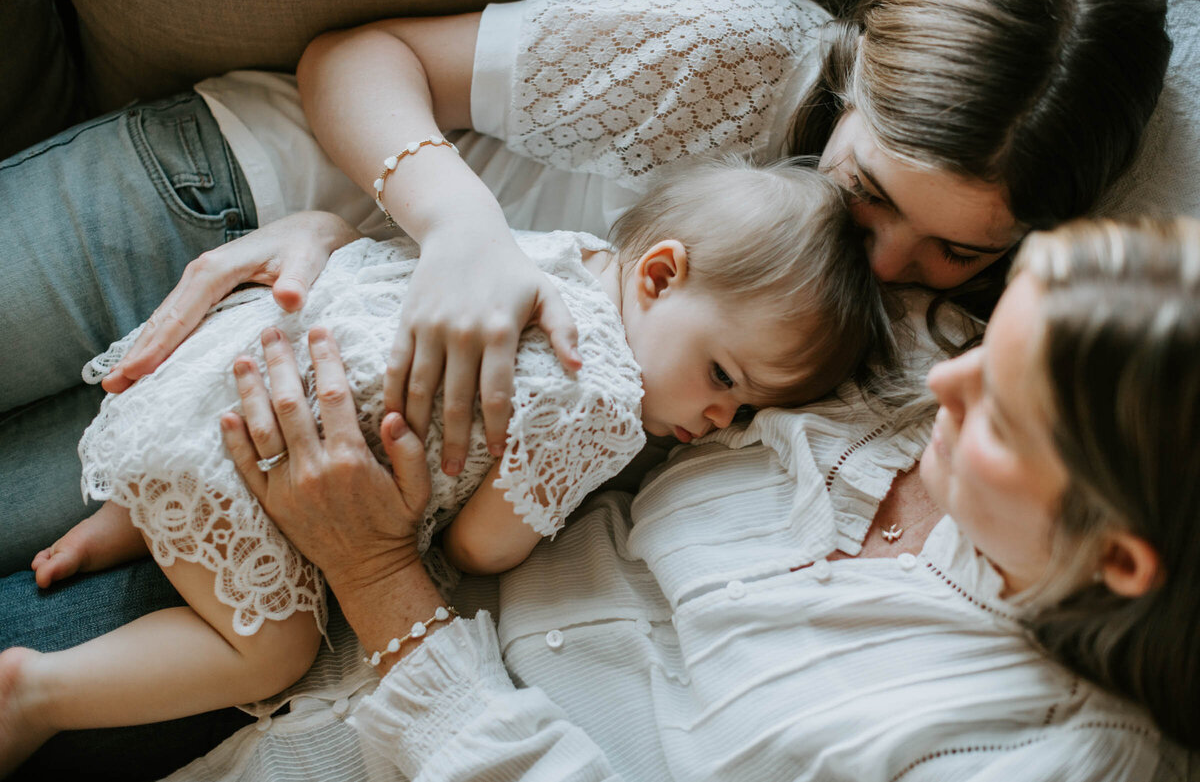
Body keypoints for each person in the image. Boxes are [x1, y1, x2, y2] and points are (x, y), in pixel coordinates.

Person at [0, 0, 1173, 774]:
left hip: (301, 407)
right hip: (251, 204)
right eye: (867, 191)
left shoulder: (937, 354)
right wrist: (450, 229)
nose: (888, 262)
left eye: (958, 247)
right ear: (853, 81)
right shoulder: (745, 51)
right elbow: (362, 59)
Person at [132, 214, 1196, 781]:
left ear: (1119, 559)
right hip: (260, 567)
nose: (946, 391)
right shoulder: (906, 368)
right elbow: (643, 271)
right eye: (987, 350)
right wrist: (346, 245)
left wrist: (380, 581)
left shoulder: (1057, 756)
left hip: (303, 661)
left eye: (1002, 414)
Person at [0, 157, 890, 773]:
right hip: (265, 459)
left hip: (219, 373)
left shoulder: (558, 255)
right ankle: (38, 690)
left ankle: (111, 527)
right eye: (724, 377)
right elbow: (480, 545)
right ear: (659, 277)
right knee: (271, 650)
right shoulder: (607, 401)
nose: (715, 418)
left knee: (228, 455)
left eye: (743, 412)